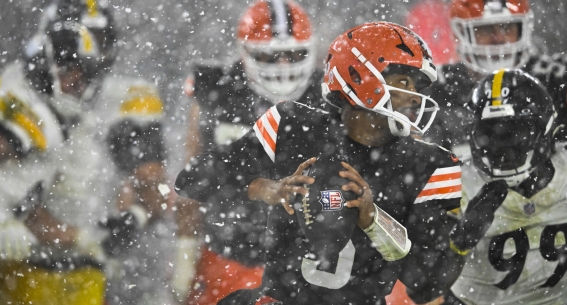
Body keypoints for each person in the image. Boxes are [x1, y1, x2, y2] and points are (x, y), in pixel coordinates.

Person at [175, 22, 475, 304]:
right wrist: (266, 188)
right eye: (404, 81)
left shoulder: (434, 165)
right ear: (361, 77)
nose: (415, 97)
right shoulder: (289, 125)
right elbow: (190, 180)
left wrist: (374, 221)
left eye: (419, 87)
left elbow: (427, 284)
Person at [0, 0, 171, 305]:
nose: (84, 46)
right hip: (7, 259)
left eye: (94, 37)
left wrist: (134, 216)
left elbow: (159, 188)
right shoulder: (20, 95)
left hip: (79, 267)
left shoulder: (124, 98)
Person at [175, 0, 324, 305]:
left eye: (294, 55)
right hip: (231, 257)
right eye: (270, 57)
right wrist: (185, 249)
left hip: (315, 266)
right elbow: (192, 174)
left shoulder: (330, 94)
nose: (283, 66)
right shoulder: (217, 92)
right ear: (245, 53)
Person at [444, 69, 567, 304]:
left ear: (544, 129)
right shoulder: (453, 183)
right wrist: (460, 239)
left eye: (516, 132)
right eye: (491, 134)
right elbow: (422, 287)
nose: (504, 147)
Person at [425, 0, 567, 160]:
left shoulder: (559, 76)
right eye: (485, 29)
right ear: (460, 33)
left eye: (506, 26)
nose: (498, 38)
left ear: (522, 29)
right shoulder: (436, 89)